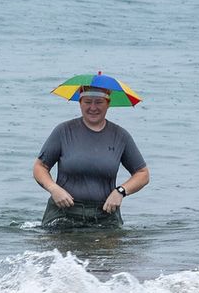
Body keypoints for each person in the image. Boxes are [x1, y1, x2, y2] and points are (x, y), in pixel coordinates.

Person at [33, 86, 150, 228]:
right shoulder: (63, 131)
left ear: (108, 104)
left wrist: (121, 191)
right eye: (87, 102)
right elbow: (40, 167)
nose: (93, 107)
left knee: (112, 250)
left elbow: (142, 174)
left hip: (105, 215)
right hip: (63, 214)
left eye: (99, 102)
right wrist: (53, 188)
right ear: (80, 103)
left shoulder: (120, 136)